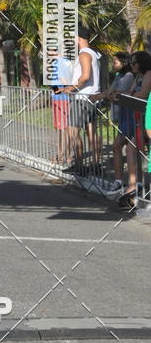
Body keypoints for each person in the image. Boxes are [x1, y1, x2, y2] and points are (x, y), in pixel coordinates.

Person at [90, 52, 134, 193]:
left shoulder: (128, 76)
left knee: (122, 148)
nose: (112, 64)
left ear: (124, 63)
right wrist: (98, 96)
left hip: (130, 116)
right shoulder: (119, 76)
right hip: (122, 117)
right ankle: (121, 182)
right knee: (123, 149)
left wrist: (107, 95)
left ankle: (128, 184)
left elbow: (117, 94)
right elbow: (111, 91)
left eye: (115, 62)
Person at [59, 25, 101, 171]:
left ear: (78, 38)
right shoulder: (93, 53)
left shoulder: (84, 54)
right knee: (91, 134)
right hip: (91, 98)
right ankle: (95, 165)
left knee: (73, 131)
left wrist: (69, 89)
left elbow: (85, 76)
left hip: (83, 99)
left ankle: (79, 166)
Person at [115, 51, 151, 210]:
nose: (132, 65)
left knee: (133, 149)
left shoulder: (149, 74)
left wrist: (131, 94)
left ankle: (138, 186)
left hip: (145, 118)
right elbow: (131, 92)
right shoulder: (138, 77)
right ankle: (135, 185)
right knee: (131, 149)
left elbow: (142, 95)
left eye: (135, 62)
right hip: (138, 118)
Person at [49, 48, 74, 165]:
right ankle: (61, 154)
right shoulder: (57, 63)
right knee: (59, 128)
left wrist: (57, 89)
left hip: (62, 99)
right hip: (57, 98)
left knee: (63, 129)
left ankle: (65, 156)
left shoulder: (62, 62)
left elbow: (65, 80)